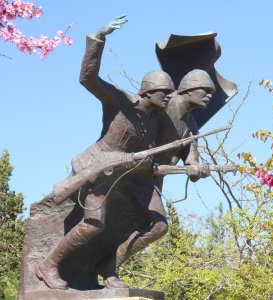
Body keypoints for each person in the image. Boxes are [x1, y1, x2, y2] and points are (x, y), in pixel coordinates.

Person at [35, 15, 175, 290]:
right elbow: (87, 78)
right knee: (93, 225)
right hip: (99, 167)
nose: (169, 98)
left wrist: (191, 165)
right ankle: (47, 264)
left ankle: (109, 265)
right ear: (148, 91)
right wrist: (99, 38)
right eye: (165, 93)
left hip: (132, 174)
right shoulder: (120, 101)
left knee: (159, 226)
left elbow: (153, 154)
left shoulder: (158, 120)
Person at [106, 69, 216, 274]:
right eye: (206, 91)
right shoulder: (163, 106)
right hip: (132, 174)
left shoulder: (190, 123)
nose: (209, 96)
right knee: (153, 225)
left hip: (151, 180)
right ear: (190, 88)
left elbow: (191, 156)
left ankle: (110, 266)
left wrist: (197, 167)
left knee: (151, 226)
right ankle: (108, 266)